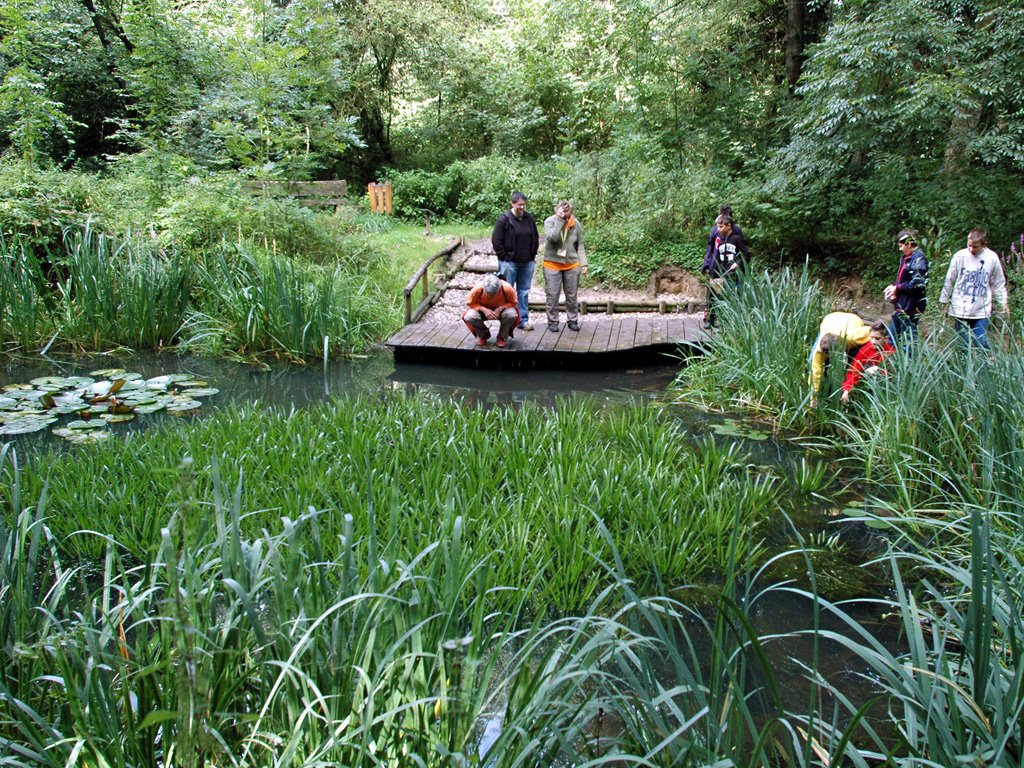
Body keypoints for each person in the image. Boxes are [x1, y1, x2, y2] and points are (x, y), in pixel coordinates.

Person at [939, 228, 1010, 350]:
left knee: (980, 342)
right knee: (963, 344)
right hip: (960, 308)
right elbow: (949, 280)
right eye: (969, 246)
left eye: (975, 247)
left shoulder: (992, 258)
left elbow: (999, 282)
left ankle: (986, 364)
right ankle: (964, 368)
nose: (971, 249)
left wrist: (1003, 303)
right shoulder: (959, 256)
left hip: (981, 309)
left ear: (984, 244)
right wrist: (944, 301)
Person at [491, 191, 540, 331]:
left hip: (527, 262)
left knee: (523, 292)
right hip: (509, 263)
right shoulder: (504, 220)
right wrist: (504, 257)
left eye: (524, 204)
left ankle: (522, 320)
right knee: (507, 291)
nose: (522, 207)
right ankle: (506, 321)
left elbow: (535, 237)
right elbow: (496, 240)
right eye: (519, 205)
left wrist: (532, 255)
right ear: (512, 204)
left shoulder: (529, 218)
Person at [542, 200, 587, 332]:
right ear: (558, 211)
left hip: (571, 264)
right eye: (564, 214)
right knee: (552, 295)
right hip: (552, 264)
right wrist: (559, 220)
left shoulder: (575, 223)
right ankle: (552, 321)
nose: (567, 217)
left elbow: (580, 245)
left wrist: (584, 263)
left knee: (572, 296)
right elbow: (553, 238)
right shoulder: (550, 221)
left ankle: (572, 320)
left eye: (569, 215)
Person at [808, 312, 872, 405]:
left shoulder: (855, 337)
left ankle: (848, 390)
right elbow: (816, 371)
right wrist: (813, 397)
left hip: (852, 320)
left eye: (830, 355)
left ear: (839, 348)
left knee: (852, 364)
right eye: (825, 355)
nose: (827, 357)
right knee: (812, 361)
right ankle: (825, 387)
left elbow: (874, 332)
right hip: (831, 318)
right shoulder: (820, 348)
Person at [700, 213, 750, 328]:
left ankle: (729, 323)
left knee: (730, 298)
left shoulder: (737, 238)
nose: (718, 229)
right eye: (717, 226)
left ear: (729, 226)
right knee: (713, 295)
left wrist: (738, 263)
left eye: (721, 226)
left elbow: (746, 255)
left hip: (733, 276)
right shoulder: (719, 238)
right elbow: (714, 254)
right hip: (719, 272)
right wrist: (709, 269)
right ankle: (710, 320)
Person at [884, 228, 929, 350]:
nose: (900, 249)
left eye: (901, 246)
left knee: (908, 343)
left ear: (909, 243)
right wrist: (893, 287)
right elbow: (903, 281)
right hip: (901, 306)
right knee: (891, 339)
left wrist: (897, 288)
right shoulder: (906, 258)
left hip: (910, 309)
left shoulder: (919, 259)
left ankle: (908, 366)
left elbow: (917, 284)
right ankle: (890, 365)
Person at [840, 321, 895, 404]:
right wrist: (847, 390)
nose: (873, 341)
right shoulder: (866, 348)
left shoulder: (891, 352)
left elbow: (894, 376)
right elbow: (854, 371)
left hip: (883, 393)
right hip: (865, 388)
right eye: (871, 337)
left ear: (886, 338)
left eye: (877, 338)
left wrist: (880, 371)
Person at [463, 274, 519, 348]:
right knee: (469, 316)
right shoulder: (477, 289)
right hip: (482, 311)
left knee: (511, 314)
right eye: (489, 294)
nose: (492, 296)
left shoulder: (507, 288)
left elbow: (513, 302)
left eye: (494, 294)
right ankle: (483, 335)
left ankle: (502, 337)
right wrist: (484, 309)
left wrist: (500, 308)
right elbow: (470, 303)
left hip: (502, 311)